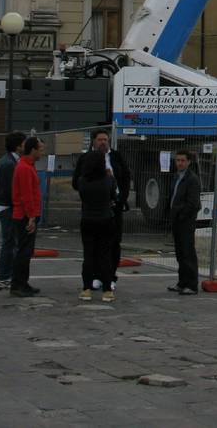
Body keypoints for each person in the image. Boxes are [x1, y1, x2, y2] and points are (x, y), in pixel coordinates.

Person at [72, 128, 131, 287]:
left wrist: (120, 199)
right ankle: (95, 276)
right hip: (92, 209)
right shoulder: (85, 159)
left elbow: (126, 178)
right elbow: (76, 182)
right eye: (100, 139)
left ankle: (110, 277)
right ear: (93, 141)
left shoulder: (116, 157)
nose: (103, 142)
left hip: (114, 209)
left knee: (113, 243)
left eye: (106, 139)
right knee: (94, 246)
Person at [76, 149, 117, 303]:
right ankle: (107, 290)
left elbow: (82, 196)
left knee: (88, 255)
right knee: (105, 255)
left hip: (87, 219)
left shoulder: (82, 181)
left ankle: (86, 289)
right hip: (105, 219)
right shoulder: (108, 180)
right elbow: (114, 195)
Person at [10, 136, 44, 297]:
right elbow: (26, 195)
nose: (42, 152)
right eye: (40, 149)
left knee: (26, 251)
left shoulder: (28, 166)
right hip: (24, 216)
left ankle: (22, 282)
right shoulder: (24, 167)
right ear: (33, 150)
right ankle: (18, 284)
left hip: (27, 214)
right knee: (23, 252)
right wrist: (31, 216)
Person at [0, 130, 25, 290]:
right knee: (9, 242)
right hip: (7, 207)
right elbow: (10, 189)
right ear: (18, 146)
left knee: (11, 242)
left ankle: (7, 275)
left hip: (6, 206)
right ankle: (4, 276)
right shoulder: (8, 164)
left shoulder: (11, 161)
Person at [167, 150, 201, 295]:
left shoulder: (192, 179)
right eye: (177, 160)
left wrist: (181, 214)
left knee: (188, 253)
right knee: (180, 253)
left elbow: (193, 203)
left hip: (185, 220)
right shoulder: (177, 176)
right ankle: (182, 282)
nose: (179, 163)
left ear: (188, 162)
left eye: (182, 160)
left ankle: (192, 284)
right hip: (176, 219)